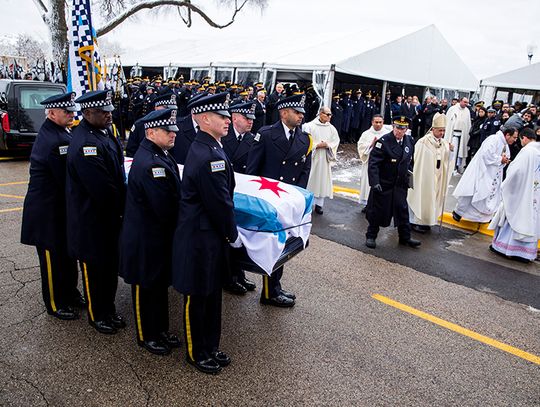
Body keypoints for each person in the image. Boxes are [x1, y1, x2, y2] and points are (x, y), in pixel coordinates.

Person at [172, 93, 240, 374]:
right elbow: (219, 203)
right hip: (200, 238)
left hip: (208, 236)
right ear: (203, 119)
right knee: (198, 296)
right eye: (221, 117)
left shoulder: (211, 147)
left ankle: (210, 346)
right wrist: (233, 234)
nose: (227, 120)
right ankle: (196, 351)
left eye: (227, 116)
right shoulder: (207, 154)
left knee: (212, 295)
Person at [120, 109, 182, 356]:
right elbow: (163, 206)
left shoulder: (158, 154)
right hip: (146, 238)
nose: (173, 135)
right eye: (168, 131)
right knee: (146, 289)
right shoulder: (151, 163)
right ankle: (148, 336)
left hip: (156, 236)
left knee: (158, 287)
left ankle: (161, 330)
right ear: (151, 132)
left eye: (173, 130)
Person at [66, 90, 127, 335]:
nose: (109, 115)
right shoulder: (85, 144)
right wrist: (124, 207)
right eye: (103, 112)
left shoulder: (103, 132)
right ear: (88, 113)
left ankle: (108, 309)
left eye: (109, 110)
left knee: (109, 268)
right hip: (92, 219)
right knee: (95, 270)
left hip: (107, 218)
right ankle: (97, 314)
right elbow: (102, 188)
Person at [20, 92, 84, 321]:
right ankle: (55, 303)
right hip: (46, 213)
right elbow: (65, 179)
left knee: (66, 256)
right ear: (52, 113)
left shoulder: (58, 132)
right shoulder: (55, 141)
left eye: (72, 111)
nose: (71, 114)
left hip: (57, 210)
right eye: (66, 112)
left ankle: (70, 293)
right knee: (52, 261)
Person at [246, 94, 312, 308]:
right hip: (269, 201)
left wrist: (297, 196)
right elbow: (253, 171)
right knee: (271, 244)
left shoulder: (305, 138)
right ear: (284, 113)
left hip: (288, 201)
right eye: (297, 112)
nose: (301, 115)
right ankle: (269, 292)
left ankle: (274, 287)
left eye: (302, 112)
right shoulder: (265, 134)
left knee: (283, 244)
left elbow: (304, 170)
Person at [365, 116, 421, 249]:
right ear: (393, 127)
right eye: (397, 127)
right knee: (378, 212)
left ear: (406, 129)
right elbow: (373, 164)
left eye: (402, 128)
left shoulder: (409, 141)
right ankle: (371, 236)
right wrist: (375, 182)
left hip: (400, 184)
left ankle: (405, 237)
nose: (399, 131)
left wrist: (409, 176)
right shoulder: (383, 142)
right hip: (384, 184)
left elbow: (409, 161)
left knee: (402, 211)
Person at [221, 101, 258, 295]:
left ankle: (239, 274)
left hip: (241, 193)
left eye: (252, 118)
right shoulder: (223, 137)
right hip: (224, 191)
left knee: (240, 235)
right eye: (246, 118)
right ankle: (228, 277)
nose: (251, 121)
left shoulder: (253, 139)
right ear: (235, 117)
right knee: (228, 235)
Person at [489, 127, 540, 262]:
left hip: (521, 192)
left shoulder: (527, 152)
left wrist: (506, 185)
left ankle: (507, 249)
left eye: (520, 139)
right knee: (530, 219)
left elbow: (515, 171)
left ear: (524, 138)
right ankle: (526, 254)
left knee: (515, 216)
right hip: (535, 194)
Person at [452, 127, 518, 223]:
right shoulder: (493, 139)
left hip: (493, 174)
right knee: (473, 192)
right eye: (514, 137)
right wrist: (500, 159)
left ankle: (482, 218)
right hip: (482, 171)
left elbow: (505, 156)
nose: (515, 140)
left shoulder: (505, 145)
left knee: (487, 195)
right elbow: (486, 154)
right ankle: (459, 212)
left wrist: (505, 160)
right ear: (507, 135)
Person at [407, 113, 452, 232]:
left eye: (443, 131)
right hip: (424, 176)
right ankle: (415, 221)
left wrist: (448, 149)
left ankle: (427, 221)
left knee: (432, 198)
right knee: (421, 196)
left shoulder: (443, 143)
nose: (442, 133)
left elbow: (443, 156)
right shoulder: (423, 142)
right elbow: (418, 160)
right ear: (433, 129)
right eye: (440, 130)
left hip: (436, 176)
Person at [303, 106, 340, 214]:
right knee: (310, 179)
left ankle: (319, 204)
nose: (329, 117)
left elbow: (335, 141)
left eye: (330, 115)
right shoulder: (309, 126)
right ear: (320, 114)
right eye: (327, 114)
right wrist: (317, 145)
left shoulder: (332, 128)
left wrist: (328, 145)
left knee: (322, 181)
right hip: (313, 157)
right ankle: (308, 203)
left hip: (324, 158)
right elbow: (305, 141)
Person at [125, 93, 178, 157]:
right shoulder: (141, 124)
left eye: (173, 109)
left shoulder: (177, 125)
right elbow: (131, 150)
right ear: (156, 107)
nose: (170, 111)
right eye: (166, 107)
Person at [357, 114, 387, 207]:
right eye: (376, 122)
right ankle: (367, 205)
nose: (378, 124)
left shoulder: (387, 134)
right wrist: (371, 145)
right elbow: (361, 146)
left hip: (383, 164)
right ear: (372, 122)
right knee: (367, 184)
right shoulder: (366, 134)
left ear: (383, 123)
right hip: (369, 163)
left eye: (380, 122)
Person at [444, 97, 472, 173]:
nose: (466, 104)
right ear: (460, 101)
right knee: (453, 152)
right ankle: (450, 167)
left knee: (461, 152)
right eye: (465, 102)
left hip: (463, 135)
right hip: (453, 134)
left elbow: (468, 124)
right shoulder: (452, 109)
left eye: (467, 102)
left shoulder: (467, 111)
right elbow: (448, 121)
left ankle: (458, 167)